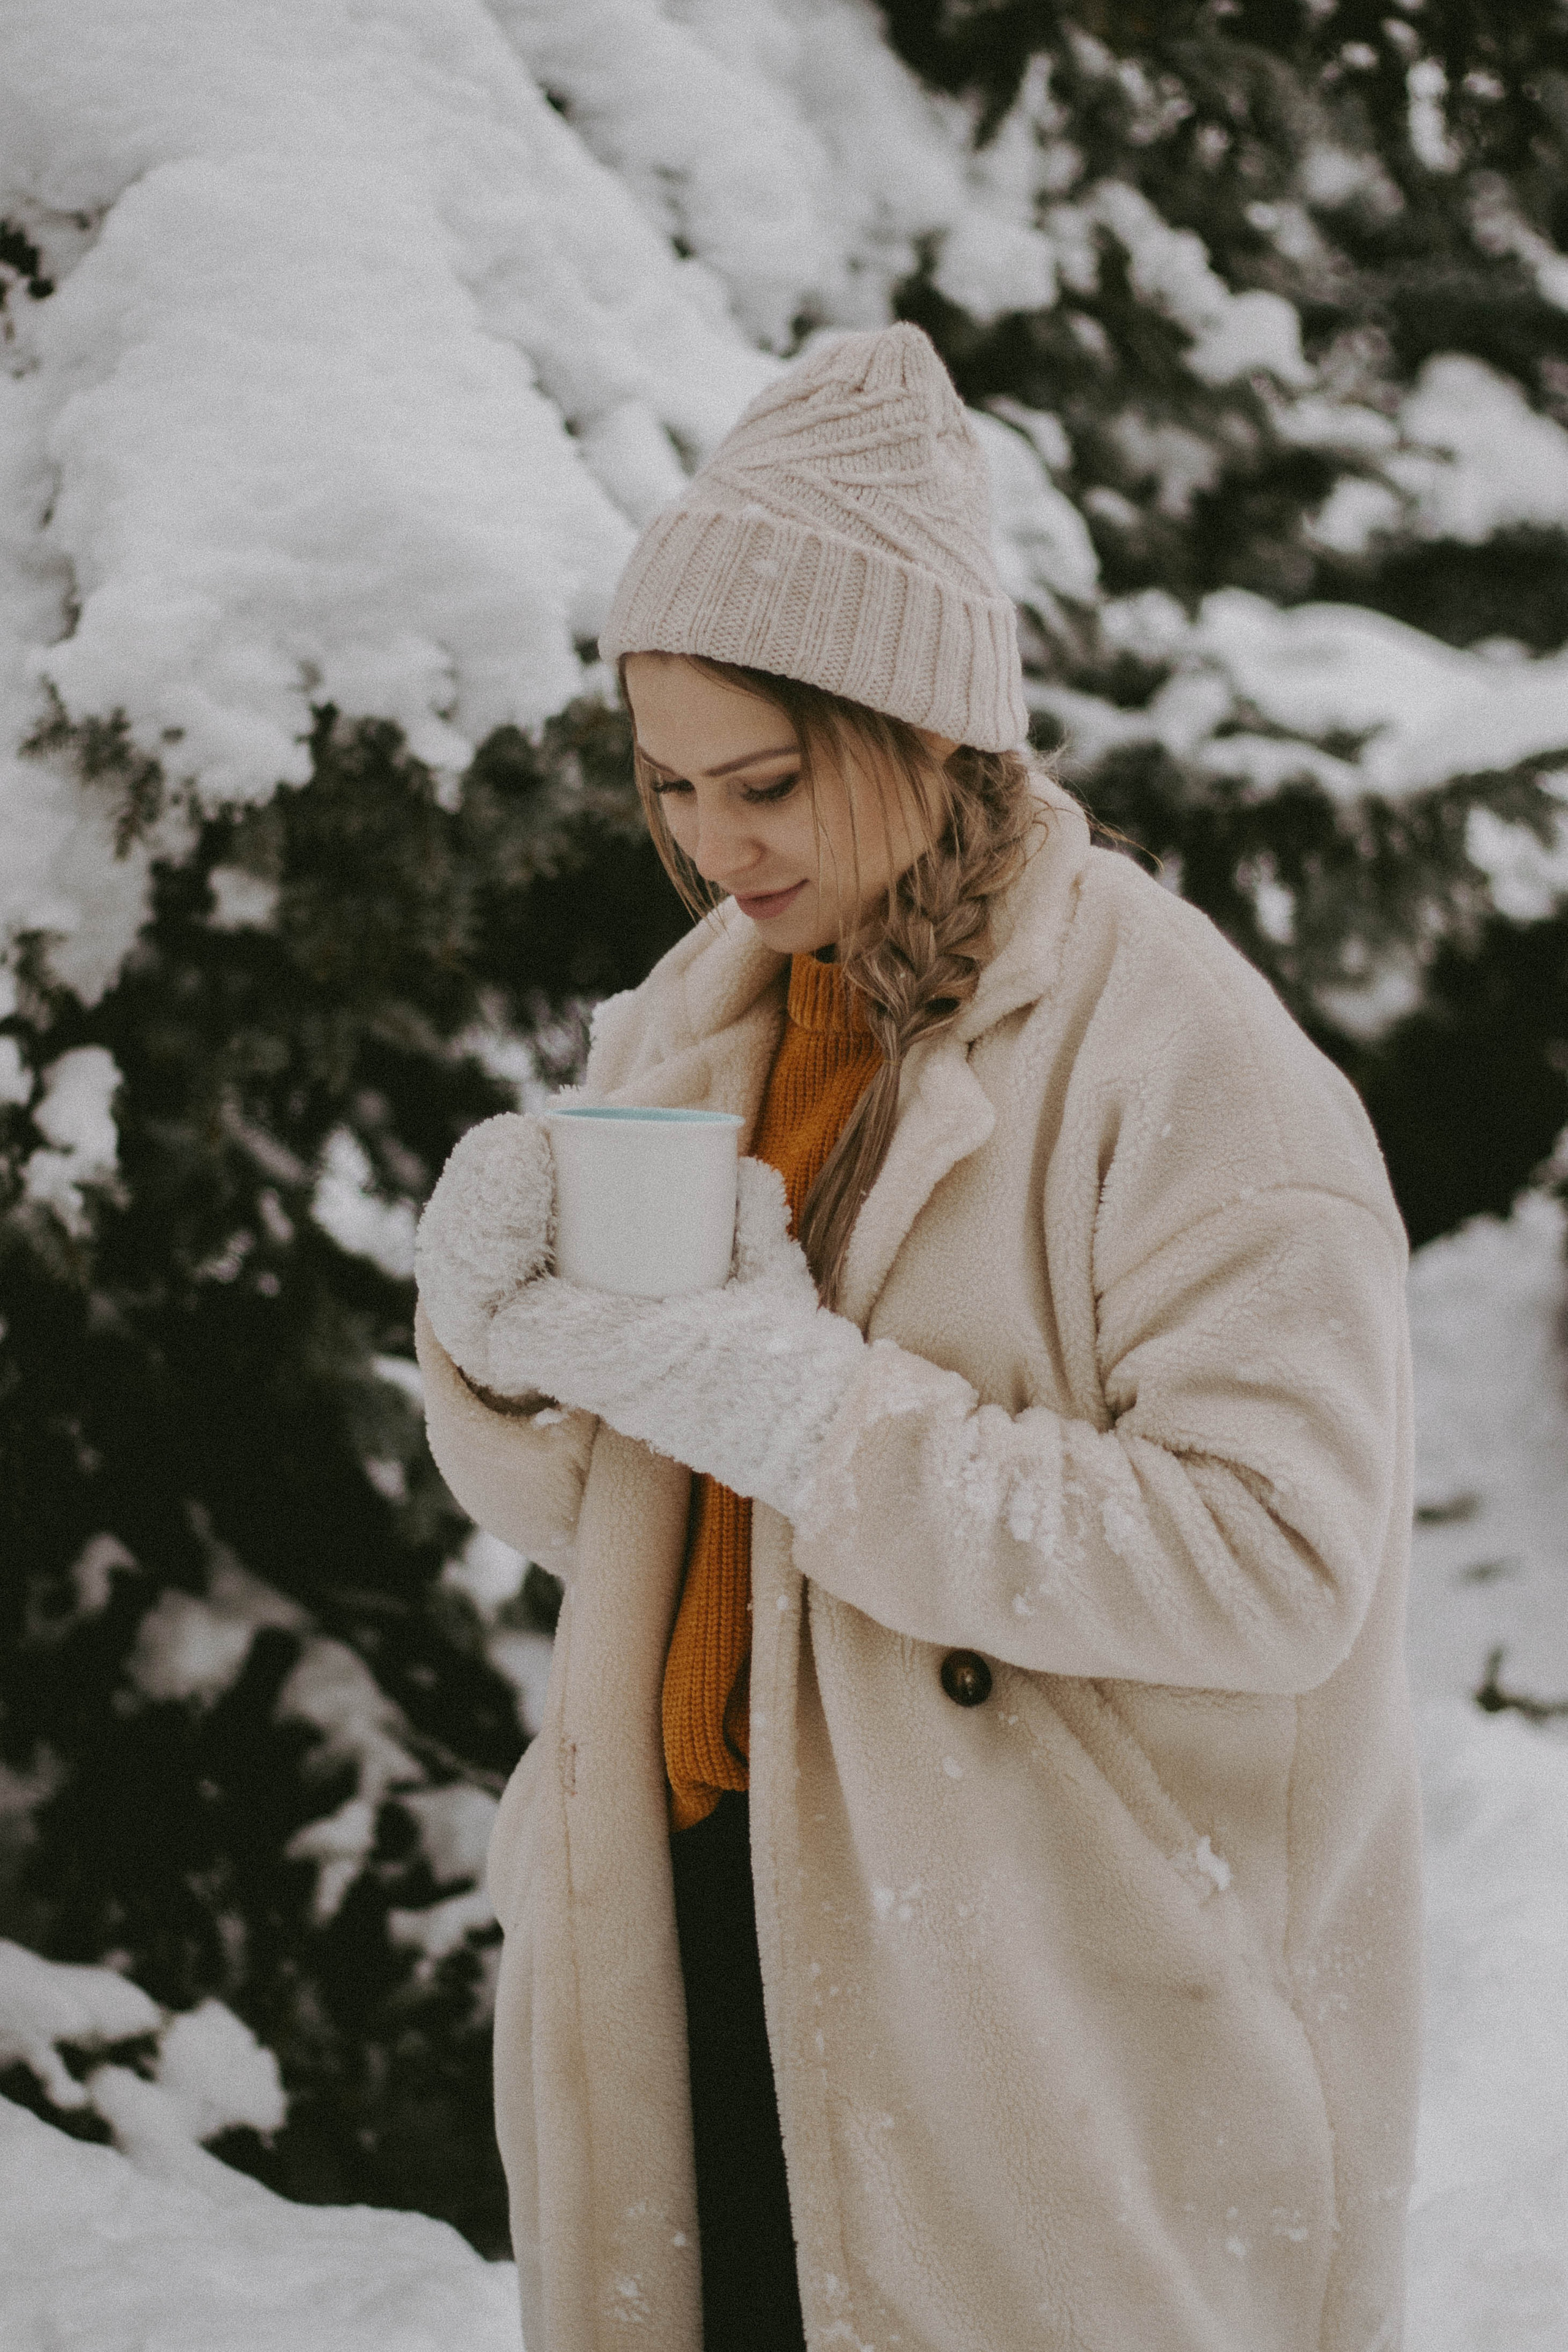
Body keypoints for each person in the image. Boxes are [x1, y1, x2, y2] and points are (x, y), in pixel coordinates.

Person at [413, 324, 1420, 2352]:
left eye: (767, 783)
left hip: (1025, 1997)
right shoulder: (699, 1019)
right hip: (698, 1925)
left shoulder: (1190, 1059)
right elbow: (635, 1514)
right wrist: (506, 1350)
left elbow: (1279, 1566)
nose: (716, 847)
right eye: (673, 787)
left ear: (922, 726)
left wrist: (811, 1414)